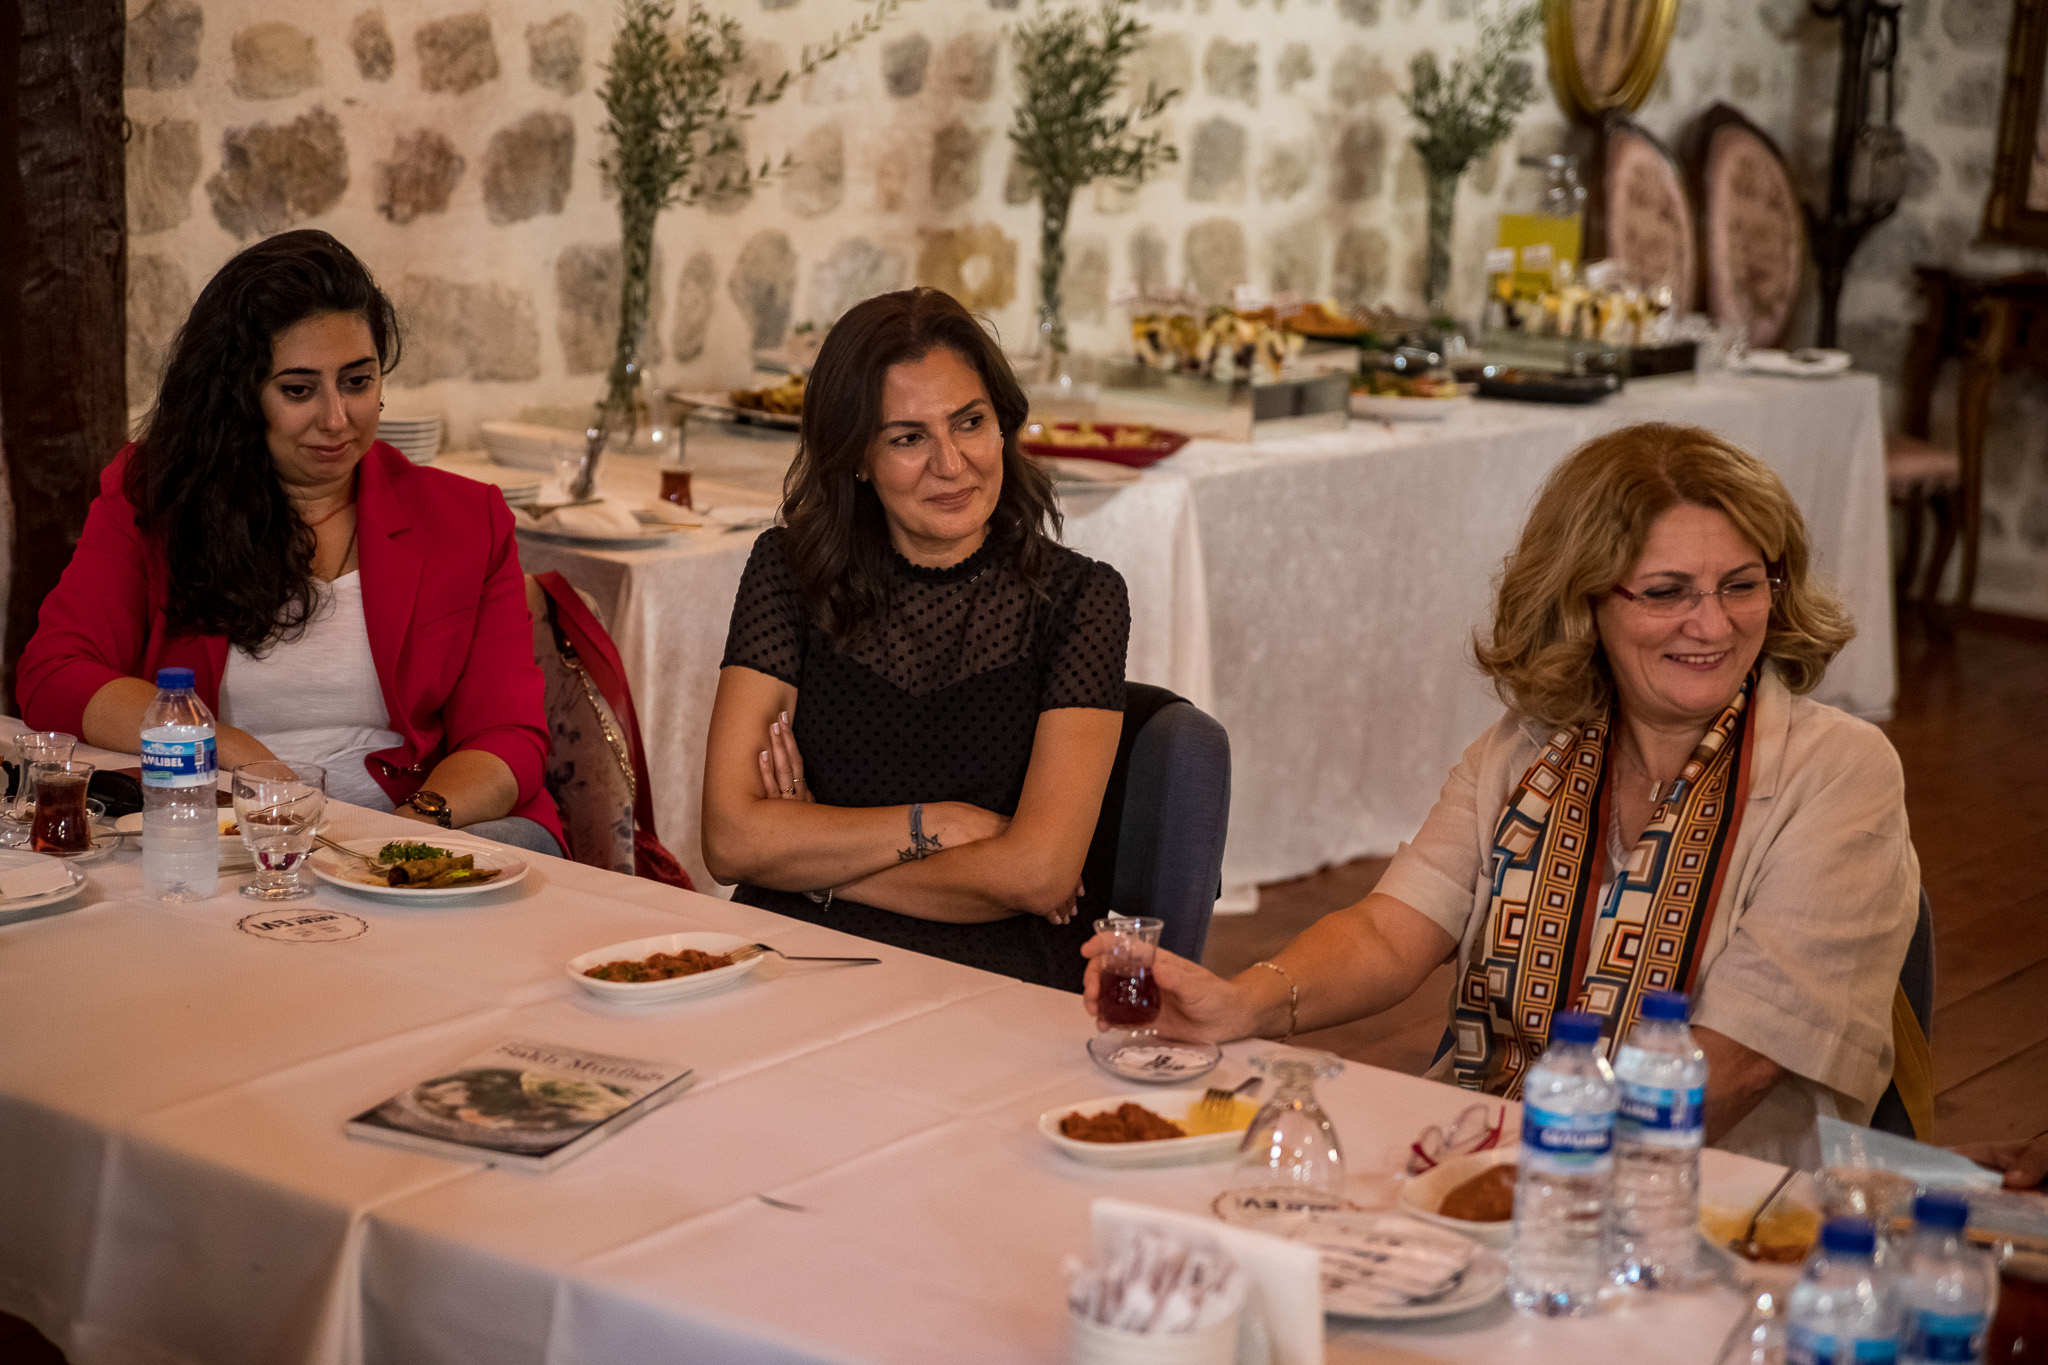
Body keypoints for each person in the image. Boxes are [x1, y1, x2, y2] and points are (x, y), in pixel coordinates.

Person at [1086, 423, 1919, 1166]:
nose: (1712, 623)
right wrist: (1242, 1003)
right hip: (1486, 1158)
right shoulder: (1530, 748)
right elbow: (1388, 932)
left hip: (1709, 1196)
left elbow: (1742, 1063)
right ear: (1584, 600)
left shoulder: (1838, 771)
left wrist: (1537, 1179)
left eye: (1742, 584)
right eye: (1667, 591)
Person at [18, 230, 562, 855]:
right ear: (239, 394)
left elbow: (508, 735)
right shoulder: (157, 499)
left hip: (415, 827)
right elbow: (54, 672)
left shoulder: (465, 517)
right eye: (298, 390)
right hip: (223, 829)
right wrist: (220, 743)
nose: (336, 419)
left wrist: (404, 834)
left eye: (357, 382)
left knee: (516, 854)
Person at [700, 287, 1129, 990]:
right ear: (856, 457)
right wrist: (941, 824)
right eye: (908, 438)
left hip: (991, 977)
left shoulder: (1082, 599)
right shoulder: (788, 572)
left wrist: (812, 866)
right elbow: (730, 841)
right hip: (793, 960)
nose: (951, 463)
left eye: (970, 422)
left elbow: (1039, 875)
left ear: (1003, 426)